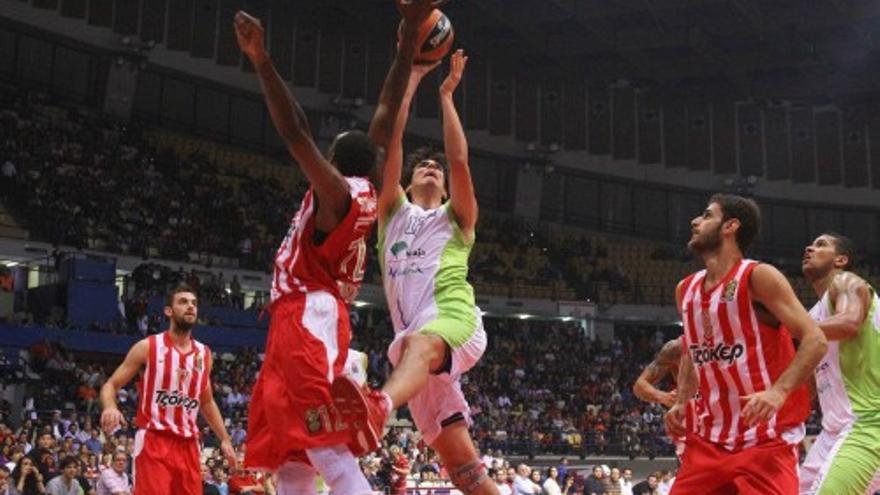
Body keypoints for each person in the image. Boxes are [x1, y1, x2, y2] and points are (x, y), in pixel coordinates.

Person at [231, 2, 441, 494]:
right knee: (292, 453)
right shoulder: (365, 188)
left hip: (307, 312)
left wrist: (263, 61)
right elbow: (387, 112)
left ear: (331, 162)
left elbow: (294, 131)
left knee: (324, 439)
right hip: (308, 315)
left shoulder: (339, 195)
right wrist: (410, 33)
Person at [332, 48, 494, 495]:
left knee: (418, 345)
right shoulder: (391, 215)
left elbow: (459, 161)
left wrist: (446, 97)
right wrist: (414, 81)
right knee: (461, 465)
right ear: (405, 183)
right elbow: (393, 143)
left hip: (453, 323)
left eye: (436, 170)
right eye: (424, 166)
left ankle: (378, 405)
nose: (432, 169)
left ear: (444, 187)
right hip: (412, 353)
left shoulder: (457, 219)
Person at [664, 194, 827, 495]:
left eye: (707, 215)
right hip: (707, 442)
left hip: (765, 441)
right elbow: (692, 349)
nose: (695, 221)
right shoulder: (684, 289)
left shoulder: (757, 277)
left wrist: (778, 392)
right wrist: (681, 400)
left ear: (731, 226)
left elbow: (815, 339)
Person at [99, 284, 235, 494]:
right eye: (183, 302)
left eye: (194, 303)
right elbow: (111, 385)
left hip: (189, 444)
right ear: (168, 311)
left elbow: (207, 401)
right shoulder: (148, 346)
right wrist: (110, 406)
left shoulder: (204, 354)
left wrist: (225, 438)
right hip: (154, 439)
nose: (190, 306)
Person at [799, 233, 880, 495]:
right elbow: (806, 389)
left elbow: (849, 323)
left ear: (841, 260)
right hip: (832, 432)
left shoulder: (848, 281)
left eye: (822, 245)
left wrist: (792, 327)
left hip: (869, 422)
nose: (810, 247)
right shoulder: (813, 316)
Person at [633, 337, 694, 458]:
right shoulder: (677, 346)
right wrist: (664, 397)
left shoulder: (737, 336)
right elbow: (639, 386)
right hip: (693, 423)